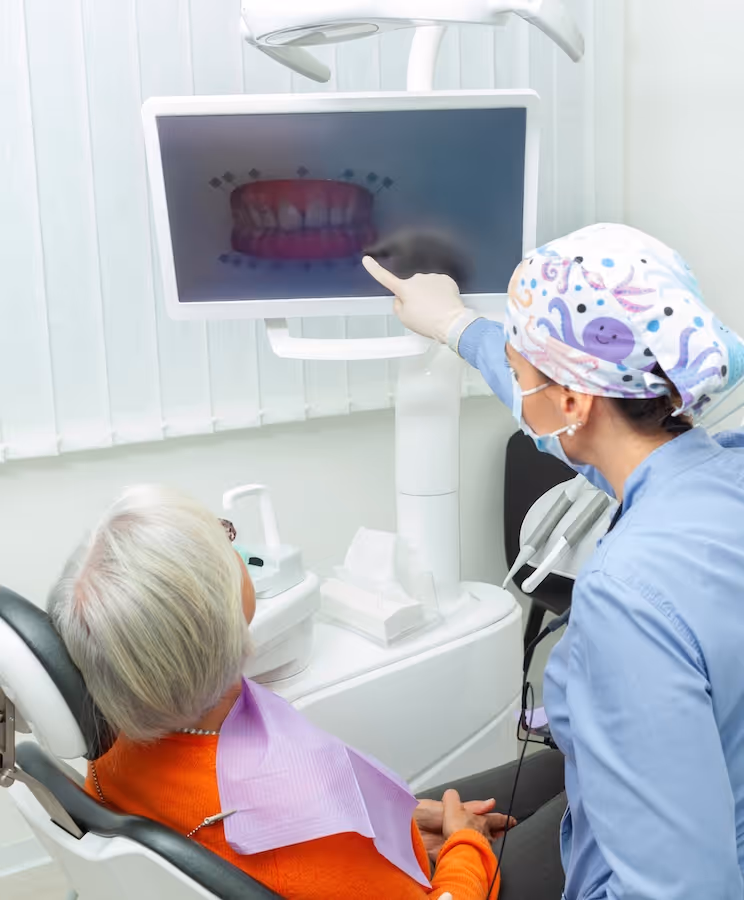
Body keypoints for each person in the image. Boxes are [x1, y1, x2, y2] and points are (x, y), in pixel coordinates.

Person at [363, 222, 744, 899]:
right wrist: (455, 326)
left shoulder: (628, 597)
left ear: (572, 401)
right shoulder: (721, 470)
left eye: (520, 373)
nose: (518, 388)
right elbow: (588, 438)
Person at [48, 484, 513, 900]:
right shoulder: (304, 827)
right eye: (224, 539)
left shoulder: (113, 749)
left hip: (350, 860)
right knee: (547, 802)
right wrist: (467, 846)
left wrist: (395, 820)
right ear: (213, 618)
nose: (236, 546)